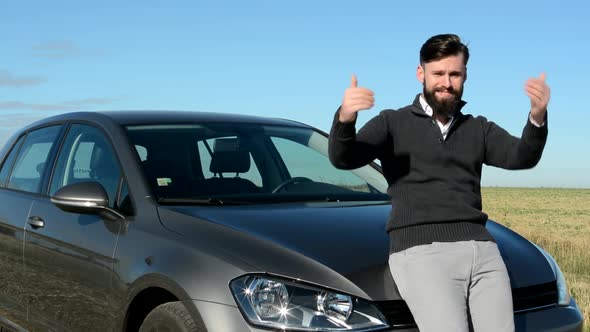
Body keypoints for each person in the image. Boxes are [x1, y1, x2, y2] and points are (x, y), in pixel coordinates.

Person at [328, 34, 549, 332]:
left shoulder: (478, 128)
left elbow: (522, 156)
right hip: (421, 251)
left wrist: (537, 117)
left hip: (482, 251)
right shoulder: (392, 123)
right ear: (421, 74)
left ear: (465, 76)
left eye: (455, 74)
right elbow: (344, 157)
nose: (447, 82)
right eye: (439, 74)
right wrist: (345, 118)